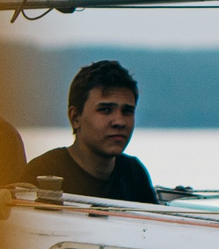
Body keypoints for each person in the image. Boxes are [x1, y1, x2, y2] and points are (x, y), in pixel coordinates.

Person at [28, 60, 161, 203]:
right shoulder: (43, 173)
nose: (119, 121)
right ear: (75, 117)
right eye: (105, 110)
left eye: (127, 111)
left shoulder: (134, 174)